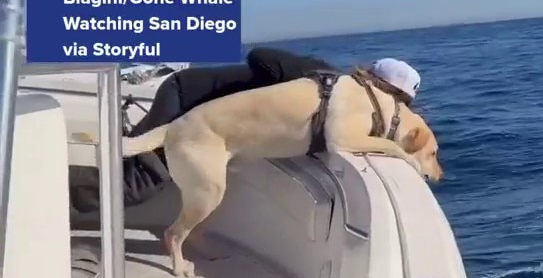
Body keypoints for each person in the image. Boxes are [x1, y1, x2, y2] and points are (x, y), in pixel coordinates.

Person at [68, 49, 422, 215]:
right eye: (401, 101)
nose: (402, 112)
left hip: (205, 118)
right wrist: (282, 94)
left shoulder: (347, 108)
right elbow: (259, 56)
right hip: (187, 97)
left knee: (136, 176)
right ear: (379, 87)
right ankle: (44, 192)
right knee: (140, 180)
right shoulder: (321, 77)